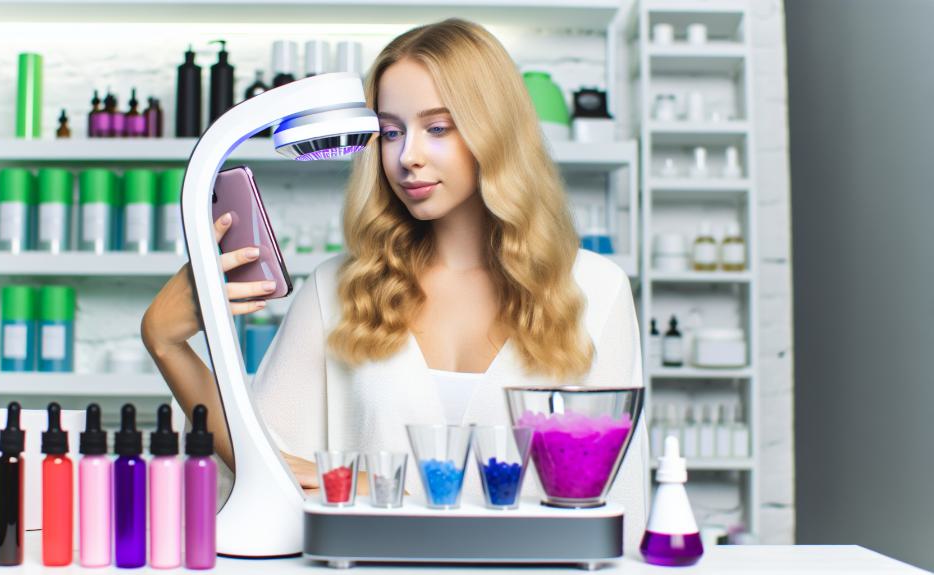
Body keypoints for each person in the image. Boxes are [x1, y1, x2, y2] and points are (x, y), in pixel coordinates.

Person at [142, 18, 647, 547]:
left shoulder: (596, 290)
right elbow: (264, 460)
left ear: (494, 131)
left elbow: (621, 504)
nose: (407, 157)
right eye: (389, 131)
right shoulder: (339, 288)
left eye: (437, 128)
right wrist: (165, 342)